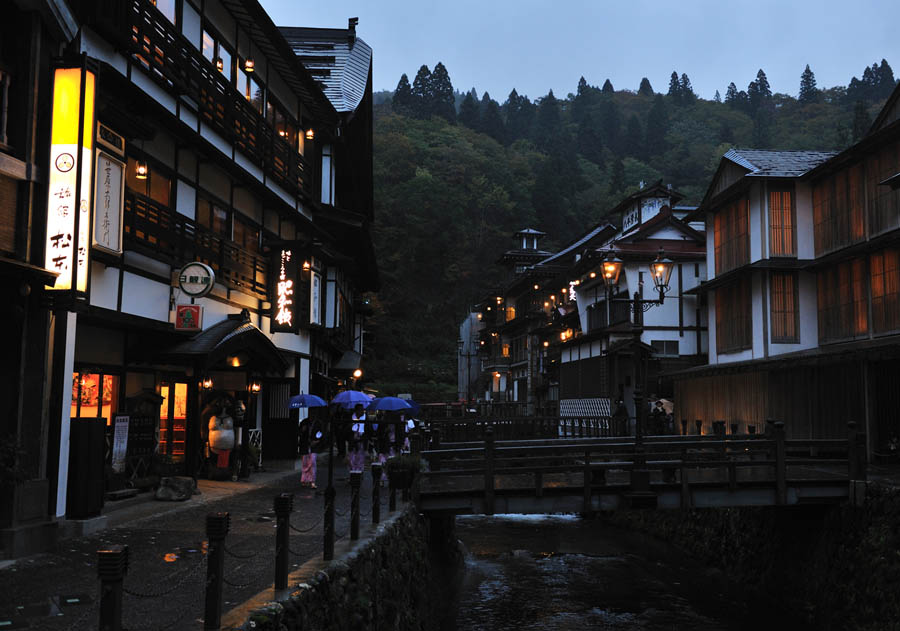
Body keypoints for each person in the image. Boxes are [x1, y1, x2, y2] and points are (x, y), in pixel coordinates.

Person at [299, 411, 323, 488]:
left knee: (312, 462)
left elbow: (321, 434)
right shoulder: (304, 422)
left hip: (314, 444)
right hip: (305, 444)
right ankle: (304, 480)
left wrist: (316, 441)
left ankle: (312, 480)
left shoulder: (318, 423)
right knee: (305, 462)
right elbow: (300, 433)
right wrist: (302, 430)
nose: (312, 415)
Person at [348, 403, 367, 473]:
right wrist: (351, 425)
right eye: (360, 410)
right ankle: (353, 473)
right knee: (352, 460)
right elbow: (346, 430)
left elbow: (368, 430)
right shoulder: (351, 417)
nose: (362, 411)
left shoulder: (365, 418)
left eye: (363, 410)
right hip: (352, 441)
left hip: (361, 441)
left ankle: (359, 474)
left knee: (360, 460)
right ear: (356, 411)